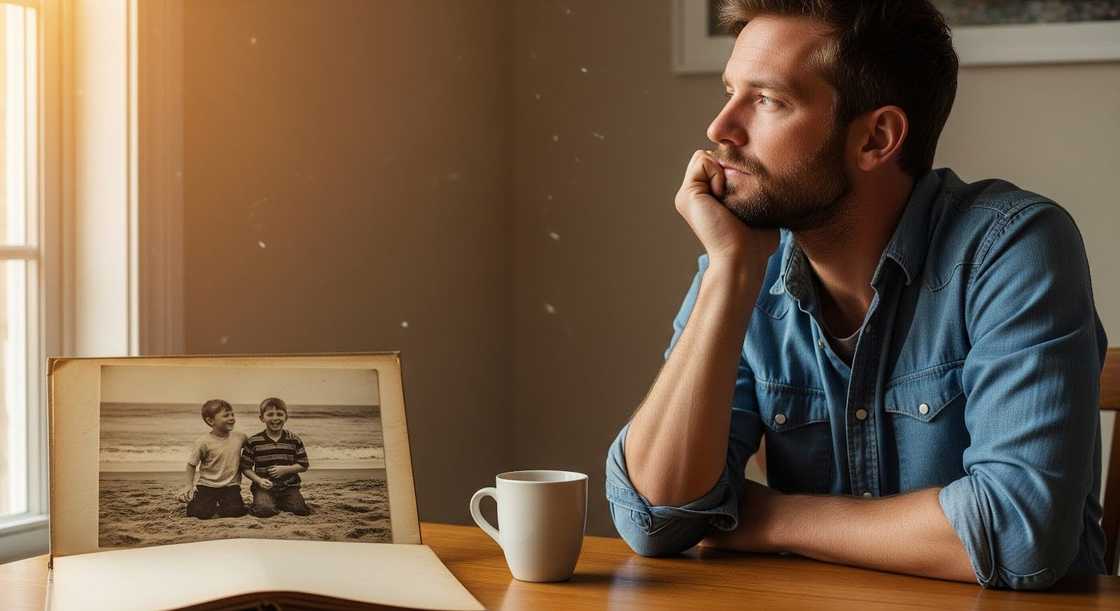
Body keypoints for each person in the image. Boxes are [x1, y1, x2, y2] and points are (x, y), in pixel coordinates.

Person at [605, 0, 1106, 591]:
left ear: (876, 138)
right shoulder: (744, 268)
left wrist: (761, 516)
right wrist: (729, 272)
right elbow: (654, 517)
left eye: (767, 100)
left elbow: (1018, 534)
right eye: (729, 92)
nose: (721, 129)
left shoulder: (1012, 248)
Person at [241, 397, 311, 517]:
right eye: (270, 414)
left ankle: (278, 502)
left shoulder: (294, 440)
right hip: (263, 488)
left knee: (299, 510)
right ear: (262, 418)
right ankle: (266, 502)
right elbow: (245, 467)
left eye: (279, 414)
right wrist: (259, 480)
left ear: (286, 417)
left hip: (289, 487)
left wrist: (285, 469)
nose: (275, 418)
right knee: (264, 511)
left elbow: (303, 465)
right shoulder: (254, 441)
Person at [181, 399, 249, 519]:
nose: (232, 418)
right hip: (208, 485)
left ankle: (223, 504)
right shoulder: (203, 442)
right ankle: (197, 500)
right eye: (226, 415)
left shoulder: (240, 437)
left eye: (232, 414)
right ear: (210, 420)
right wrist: (188, 485)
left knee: (236, 512)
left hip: (231, 485)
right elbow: (191, 465)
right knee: (200, 513)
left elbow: (253, 450)